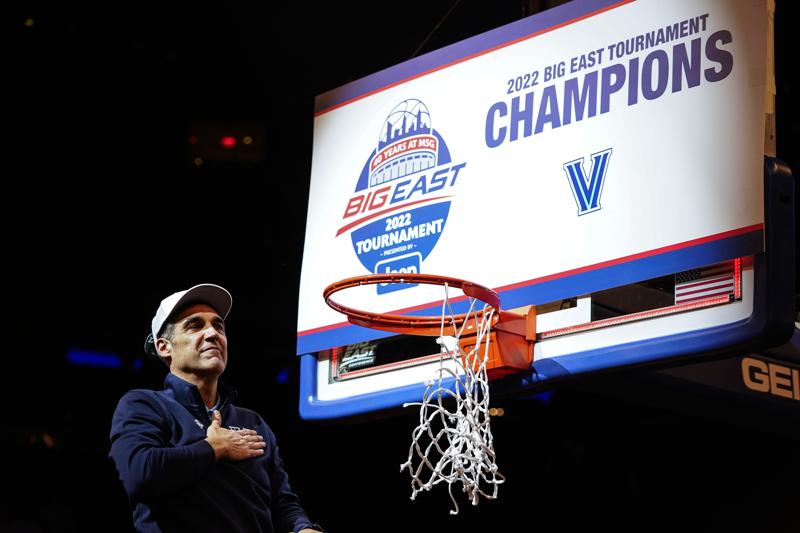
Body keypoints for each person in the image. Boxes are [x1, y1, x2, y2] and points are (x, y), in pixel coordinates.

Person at [109, 283, 323, 533]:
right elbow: (140, 473)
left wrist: (303, 528)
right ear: (164, 347)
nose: (213, 334)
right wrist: (214, 448)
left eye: (218, 326)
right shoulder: (144, 405)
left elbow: (282, 502)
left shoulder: (252, 422)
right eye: (195, 325)